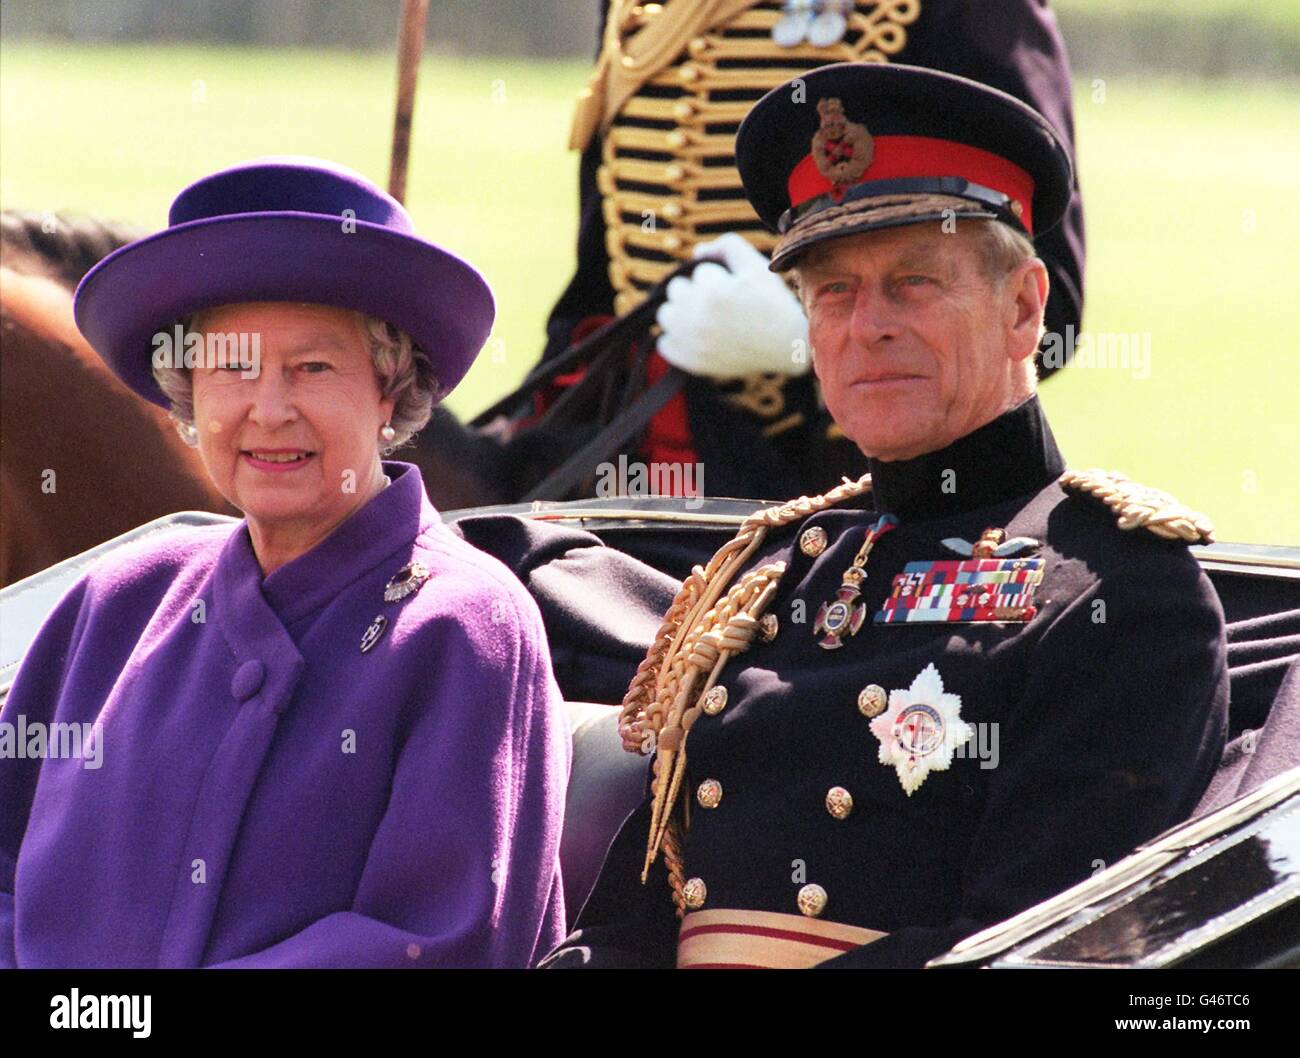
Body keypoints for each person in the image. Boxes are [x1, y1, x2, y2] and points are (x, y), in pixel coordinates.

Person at [539, 63, 1227, 969]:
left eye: (912, 283)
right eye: (833, 292)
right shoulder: (769, 575)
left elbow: (1041, 951)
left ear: (1024, 308)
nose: (867, 326)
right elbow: (634, 919)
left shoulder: (1119, 595)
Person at [0, 157, 569, 968]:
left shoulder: (463, 627)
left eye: (312, 368)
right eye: (233, 367)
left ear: (388, 388)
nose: (269, 410)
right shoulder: (115, 600)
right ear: (187, 393)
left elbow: (437, 941)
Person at [519, 0, 1086, 500]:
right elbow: (596, 285)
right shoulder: (641, 10)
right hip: (642, 463)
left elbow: (1046, 305)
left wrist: (806, 345)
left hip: (846, 478)